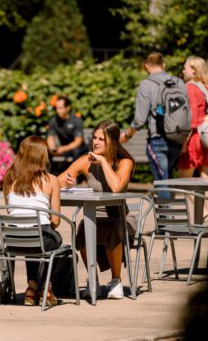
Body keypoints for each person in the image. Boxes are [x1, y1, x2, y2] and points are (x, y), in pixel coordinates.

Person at [59, 120, 136, 300]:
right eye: (94, 137)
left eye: (102, 139)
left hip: (122, 219)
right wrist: (68, 183)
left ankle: (116, 281)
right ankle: (93, 280)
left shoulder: (125, 162)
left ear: (113, 142)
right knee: (84, 228)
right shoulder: (86, 161)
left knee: (110, 227)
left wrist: (103, 162)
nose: (96, 142)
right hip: (94, 217)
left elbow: (116, 187)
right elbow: (57, 181)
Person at [3, 135, 61, 307]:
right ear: (42, 156)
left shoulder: (8, 178)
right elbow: (56, 220)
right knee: (55, 241)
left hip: (12, 240)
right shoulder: (51, 180)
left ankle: (31, 288)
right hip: (39, 238)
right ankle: (47, 287)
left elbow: (11, 211)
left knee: (29, 234)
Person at [120, 52, 187, 186]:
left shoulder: (146, 84)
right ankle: (168, 206)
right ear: (164, 65)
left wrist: (127, 135)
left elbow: (140, 119)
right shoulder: (179, 82)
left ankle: (163, 206)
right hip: (178, 138)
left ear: (146, 66)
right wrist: (185, 140)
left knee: (162, 183)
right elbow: (186, 112)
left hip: (158, 139)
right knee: (168, 182)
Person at [178, 56, 208, 222]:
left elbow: (191, 120)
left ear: (194, 70)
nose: (183, 71)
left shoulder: (190, 87)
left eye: (185, 68)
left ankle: (201, 213)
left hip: (195, 139)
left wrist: (183, 143)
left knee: (183, 180)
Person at [47, 96, 87, 172]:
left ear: (67, 108)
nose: (57, 111)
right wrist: (52, 148)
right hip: (64, 149)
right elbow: (50, 137)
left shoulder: (76, 120)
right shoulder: (53, 121)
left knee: (76, 151)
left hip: (79, 148)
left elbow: (78, 142)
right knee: (46, 150)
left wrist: (63, 149)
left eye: (60, 108)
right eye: (56, 108)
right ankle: (51, 175)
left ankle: (76, 176)